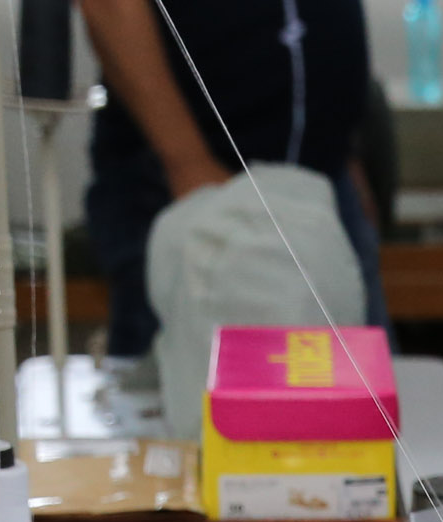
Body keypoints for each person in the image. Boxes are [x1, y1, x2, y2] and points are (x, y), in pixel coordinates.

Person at [73, 0, 384, 362]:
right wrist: (187, 163)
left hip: (323, 189)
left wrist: (342, 153)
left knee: (350, 402)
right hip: (192, 194)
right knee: (196, 403)